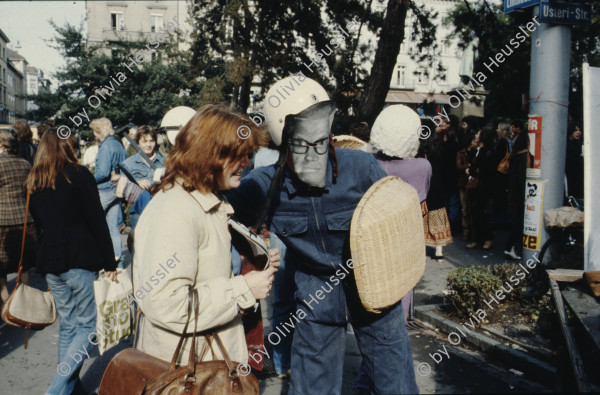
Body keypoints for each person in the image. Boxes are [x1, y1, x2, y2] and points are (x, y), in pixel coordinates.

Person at [228, 77, 419, 394]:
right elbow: (219, 214)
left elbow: (396, 219)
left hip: (375, 292)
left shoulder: (362, 167)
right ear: (283, 141)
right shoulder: (262, 185)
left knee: (395, 383)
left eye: (321, 137)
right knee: (311, 389)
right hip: (316, 300)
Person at [133, 104, 280, 367]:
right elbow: (168, 303)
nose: (247, 163)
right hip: (188, 369)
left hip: (202, 363)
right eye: (239, 155)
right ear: (210, 154)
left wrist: (252, 262)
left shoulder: (202, 200)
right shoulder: (178, 209)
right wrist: (243, 290)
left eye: (248, 155)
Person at [25, 130, 117, 395]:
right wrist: (109, 260)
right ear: (68, 148)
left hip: (51, 262)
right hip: (80, 259)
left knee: (68, 325)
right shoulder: (77, 175)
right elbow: (97, 219)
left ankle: (70, 386)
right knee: (88, 327)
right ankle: (56, 390)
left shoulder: (35, 180)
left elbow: (40, 225)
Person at [0, 129, 35, 306]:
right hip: (25, 218)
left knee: (1, 268)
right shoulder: (25, 164)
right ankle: (24, 301)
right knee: (25, 264)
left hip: (3, 221)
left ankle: (7, 305)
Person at [90, 118, 127, 266]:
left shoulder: (105, 147)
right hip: (117, 188)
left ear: (99, 131)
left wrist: (88, 180)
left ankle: (98, 261)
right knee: (113, 228)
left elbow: (102, 173)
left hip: (105, 189)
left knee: (93, 224)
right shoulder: (118, 144)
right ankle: (118, 263)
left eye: (95, 131)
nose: (93, 134)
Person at [422, 118, 454, 260]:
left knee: (425, 215)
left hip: (425, 185)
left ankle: (422, 245)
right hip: (439, 185)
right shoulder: (443, 146)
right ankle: (439, 250)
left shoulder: (422, 149)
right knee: (438, 215)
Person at [467, 127, 496, 249]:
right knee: (475, 213)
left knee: (482, 213)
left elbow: (482, 169)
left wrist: (472, 170)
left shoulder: (487, 152)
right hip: (477, 186)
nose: (476, 136)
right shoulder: (478, 150)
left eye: (478, 134)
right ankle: (478, 239)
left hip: (483, 187)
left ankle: (488, 239)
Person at [504, 131, 531, 260]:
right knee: (519, 224)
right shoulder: (525, 157)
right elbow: (521, 179)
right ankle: (511, 248)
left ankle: (510, 248)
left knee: (517, 222)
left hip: (513, 194)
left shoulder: (515, 156)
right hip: (520, 195)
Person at [565, 122, 583, 200]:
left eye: (579, 130)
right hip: (571, 176)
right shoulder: (567, 144)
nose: (579, 132)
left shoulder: (577, 144)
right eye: (575, 130)